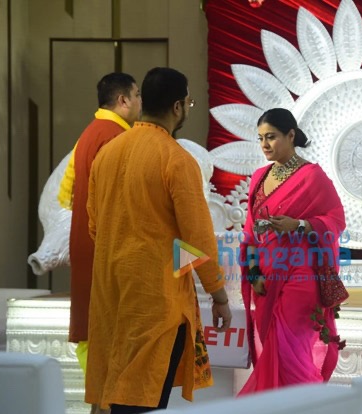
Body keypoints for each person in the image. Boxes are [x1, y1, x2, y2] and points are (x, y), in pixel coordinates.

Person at [84, 67, 232, 413]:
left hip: (112, 296)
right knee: (142, 398)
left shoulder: (107, 154)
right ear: (178, 106)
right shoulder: (176, 160)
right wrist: (218, 294)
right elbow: (195, 242)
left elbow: (95, 225)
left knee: (117, 393)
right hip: (155, 301)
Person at [238, 108, 346, 395]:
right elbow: (249, 234)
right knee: (274, 352)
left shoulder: (312, 177)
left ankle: (301, 406)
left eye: (271, 137)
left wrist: (298, 225)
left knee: (287, 354)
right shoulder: (259, 177)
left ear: (291, 135)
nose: (264, 145)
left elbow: (335, 221)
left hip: (301, 278)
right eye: (261, 138)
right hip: (266, 278)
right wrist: (252, 273)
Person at [57, 72, 141, 414]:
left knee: (95, 334)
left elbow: (65, 194)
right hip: (109, 249)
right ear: (122, 100)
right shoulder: (119, 138)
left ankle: (98, 404)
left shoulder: (88, 135)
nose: (139, 103)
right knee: (111, 336)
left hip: (85, 245)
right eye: (136, 96)